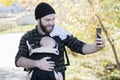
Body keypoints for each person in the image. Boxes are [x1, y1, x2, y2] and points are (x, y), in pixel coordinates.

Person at [15, 2, 105, 80]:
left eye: (53, 19)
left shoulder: (60, 34)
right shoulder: (28, 37)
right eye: (47, 20)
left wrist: (97, 46)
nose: (51, 23)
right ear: (38, 20)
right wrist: (37, 63)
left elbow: (81, 47)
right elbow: (19, 61)